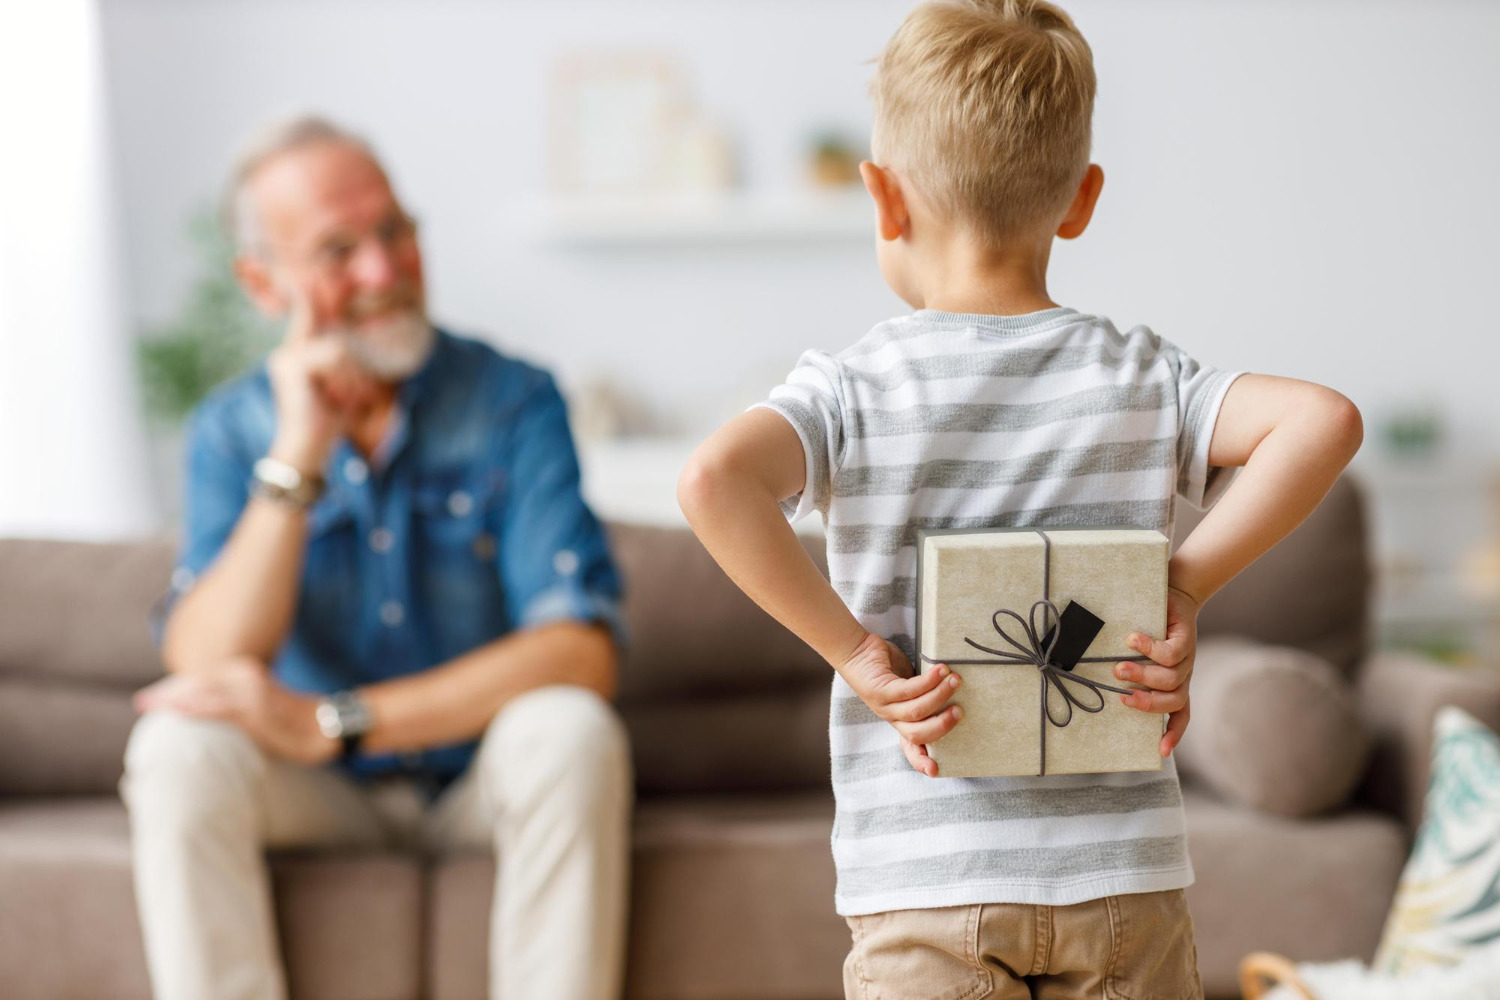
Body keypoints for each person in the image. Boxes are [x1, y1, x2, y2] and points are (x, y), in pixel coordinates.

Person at [676, 2, 1363, 998]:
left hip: (925, 879)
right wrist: (1185, 583)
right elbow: (1325, 421)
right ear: (1080, 199)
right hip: (1122, 877)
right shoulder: (1141, 375)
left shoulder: (855, 387)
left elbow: (711, 482)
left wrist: (857, 654)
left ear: (883, 197)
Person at [120, 116, 631, 1000]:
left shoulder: (515, 401)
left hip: (476, 774)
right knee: (174, 748)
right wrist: (298, 454)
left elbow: (578, 651)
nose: (383, 271)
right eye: (337, 249)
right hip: (316, 796)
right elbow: (203, 661)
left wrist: (333, 722)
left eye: (393, 230)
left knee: (572, 732)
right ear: (262, 282)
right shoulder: (229, 430)